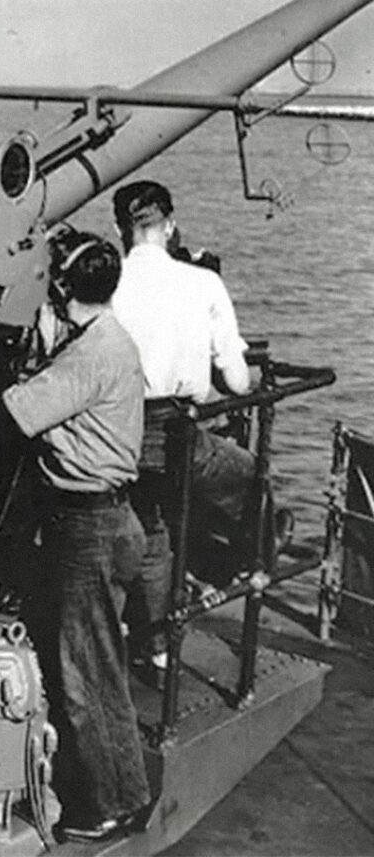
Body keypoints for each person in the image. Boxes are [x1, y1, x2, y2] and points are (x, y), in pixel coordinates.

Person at [0, 231, 151, 843]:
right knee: (92, 664)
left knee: (88, 672)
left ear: (61, 288)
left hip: (90, 527)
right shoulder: (104, 337)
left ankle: (116, 804)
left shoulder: (91, 355)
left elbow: (13, 415)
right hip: (96, 519)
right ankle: (112, 790)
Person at [109, 180, 284, 604]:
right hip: (177, 439)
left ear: (117, 229)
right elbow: (238, 383)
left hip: (115, 435)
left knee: (152, 525)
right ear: (170, 227)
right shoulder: (203, 284)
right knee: (252, 475)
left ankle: (155, 624)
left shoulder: (105, 284)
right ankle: (254, 567)